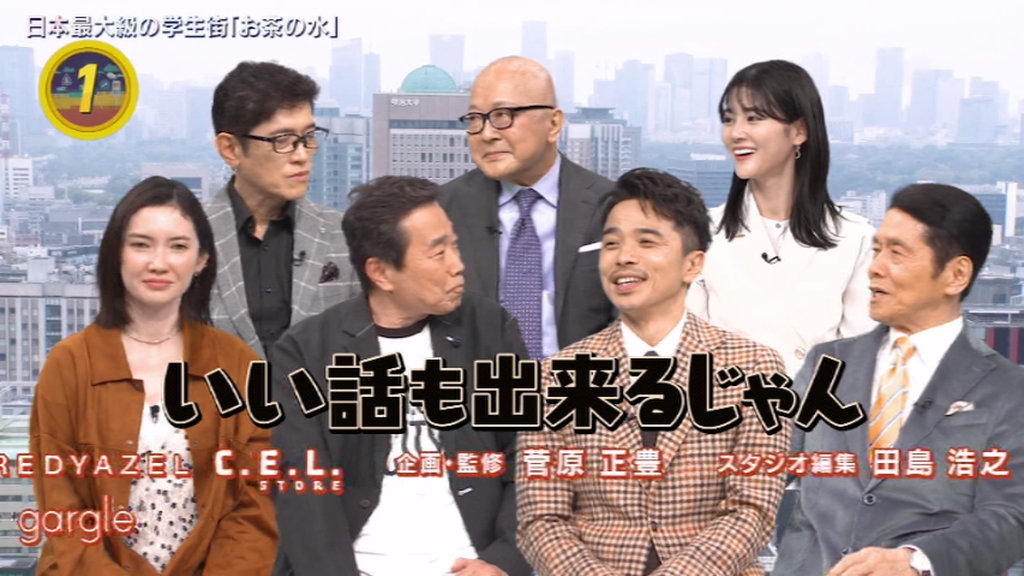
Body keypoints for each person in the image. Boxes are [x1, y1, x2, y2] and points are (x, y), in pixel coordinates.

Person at [517, 168, 790, 576]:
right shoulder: (555, 377)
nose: (624, 257)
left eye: (647, 242)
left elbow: (753, 509)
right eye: (612, 243)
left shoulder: (754, 369)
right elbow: (541, 519)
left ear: (692, 264)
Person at [271, 176, 531, 576]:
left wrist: (503, 562)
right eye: (438, 253)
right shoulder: (306, 351)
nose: (457, 265)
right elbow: (303, 489)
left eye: (455, 246)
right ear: (381, 273)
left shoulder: (490, 329)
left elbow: (527, 455)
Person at [30, 176, 276, 575]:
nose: (158, 263)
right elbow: (61, 503)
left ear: (201, 260)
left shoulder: (236, 363)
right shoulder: (70, 363)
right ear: (116, 254)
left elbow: (255, 501)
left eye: (178, 246)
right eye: (141, 245)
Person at [775, 183, 1024, 576]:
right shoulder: (829, 363)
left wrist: (914, 561)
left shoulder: (1008, 390)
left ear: (956, 275)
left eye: (897, 253)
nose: (875, 268)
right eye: (876, 250)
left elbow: (1011, 516)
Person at [686, 59, 875, 377]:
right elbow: (691, 358)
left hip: (819, 406)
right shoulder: (701, 233)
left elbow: (858, 363)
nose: (736, 133)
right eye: (729, 120)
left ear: (799, 131)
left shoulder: (856, 240)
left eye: (754, 118)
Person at [439, 56, 616, 361]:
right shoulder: (442, 209)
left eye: (503, 115)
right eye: (475, 119)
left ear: (553, 124)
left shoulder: (611, 205)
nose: (486, 133)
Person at [207, 61, 358, 358]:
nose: (302, 155)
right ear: (230, 149)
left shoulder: (346, 236)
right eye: (283, 141)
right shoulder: (187, 237)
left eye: (308, 137)